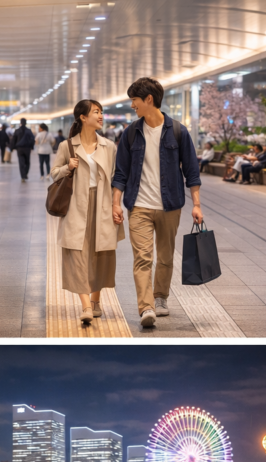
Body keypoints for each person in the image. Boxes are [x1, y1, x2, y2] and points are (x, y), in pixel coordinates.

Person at [111, 76, 202, 329]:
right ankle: (146, 307)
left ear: (149, 100)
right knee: (142, 258)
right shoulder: (131, 133)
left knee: (165, 257)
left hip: (170, 205)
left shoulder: (178, 131)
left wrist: (196, 204)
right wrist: (116, 203)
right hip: (138, 205)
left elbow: (192, 171)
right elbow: (120, 173)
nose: (132, 106)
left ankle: (160, 297)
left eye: (134, 100)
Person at [50, 99, 124, 324]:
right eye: (96, 112)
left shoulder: (109, 146)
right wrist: (67, 167)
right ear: (83, 117)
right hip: (76, 206)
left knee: (100, 253)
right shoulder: (67, 146)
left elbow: (116, 178)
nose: (101, 116)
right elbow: (54, 173)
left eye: (101, 112)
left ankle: (96, 300)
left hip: (102, 204)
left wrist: (116, 204)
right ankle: (85, 306)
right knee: (78, 254)